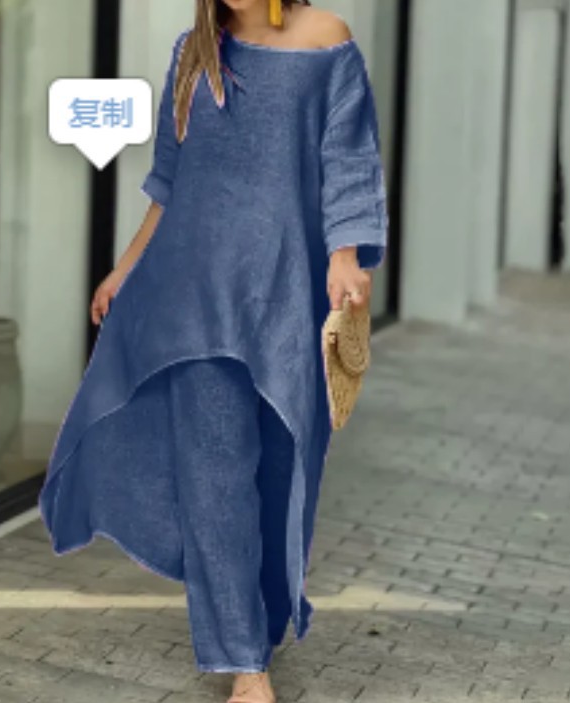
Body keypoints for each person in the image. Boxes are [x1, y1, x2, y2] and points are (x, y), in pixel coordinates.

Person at [38, 1, 388, 701]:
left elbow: (347, 157)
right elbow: (169, 185)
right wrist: (126, 268)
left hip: (285, 293)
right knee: (214, 477)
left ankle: (260, 619)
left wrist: (345, 254)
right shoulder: (195, 52)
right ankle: (243, 662)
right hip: (192, 297)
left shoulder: (327, 41)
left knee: (283, 469)